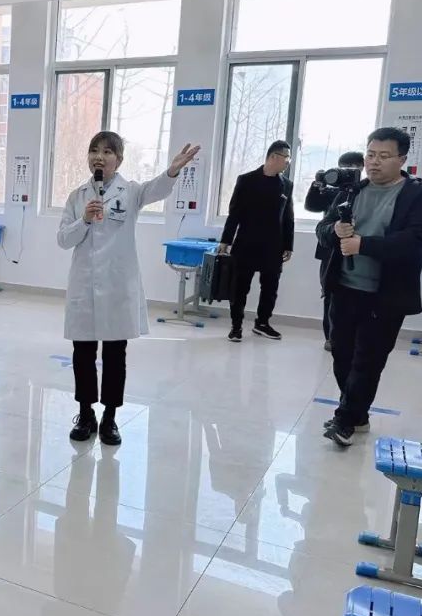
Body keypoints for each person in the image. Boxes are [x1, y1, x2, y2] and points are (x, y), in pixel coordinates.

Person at [58, 131, 200, 446]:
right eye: (94, 150)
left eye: (107, 152)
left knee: (114, 355)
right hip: (84, 285)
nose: (99, 157)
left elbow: (156, 188)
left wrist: (173, 170)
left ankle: (109, 417)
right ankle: (85, 413)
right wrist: (84, 220)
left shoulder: (131, 191)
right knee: (83, 354)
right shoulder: (77, 196)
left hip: (117, 286)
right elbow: (63, 239)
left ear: (119, 160)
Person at [316, 127, 422, 447]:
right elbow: (322, 228)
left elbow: (415, 239)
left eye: (384, 156)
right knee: (341, 354)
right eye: (370, 155)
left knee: (367, 360)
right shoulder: (353, 191)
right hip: (344, 288)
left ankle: (344, 420)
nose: (374, 162)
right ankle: (357, 415)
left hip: (385, 295)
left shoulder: (417, 196)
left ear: (402, 159)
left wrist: (363, 244)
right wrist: (335, 230)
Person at [219, 140, 295, 343]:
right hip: (246, 244)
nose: (288, 162)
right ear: (273, 157)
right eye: (286, 158)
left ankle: (262, 323)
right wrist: (225, 241)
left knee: (270, 288)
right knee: (240, 288)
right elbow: (234, 213)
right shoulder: (246, 180)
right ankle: (236, 326)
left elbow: (288, 217)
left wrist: (289, 245)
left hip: (274, 246)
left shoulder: (286, 185)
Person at [304, 151, 364, 352]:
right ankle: (330, 336)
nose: (347, 172)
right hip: (329, 248)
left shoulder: (362, 191)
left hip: (356, 247)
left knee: (352, 295)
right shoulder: (333, 189)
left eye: (352, 168)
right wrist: (317, 185)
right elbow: (311, 206)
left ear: (361, 168)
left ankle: (352, 337)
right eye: (343, 167)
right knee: (329, 292)